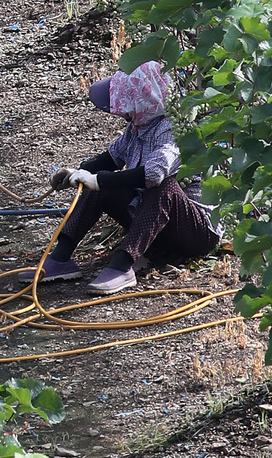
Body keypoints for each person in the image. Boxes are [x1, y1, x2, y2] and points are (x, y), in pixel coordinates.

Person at [41, 60, 220, 295]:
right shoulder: (138, 127)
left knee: (163, 186)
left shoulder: (175, 130)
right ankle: (60, 258)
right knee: (99, 181)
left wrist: (100, 180)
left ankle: (123, 266)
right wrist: (76, 173)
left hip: (196, 234)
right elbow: (111, 158)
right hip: (156, 226)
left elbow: (154, 173)